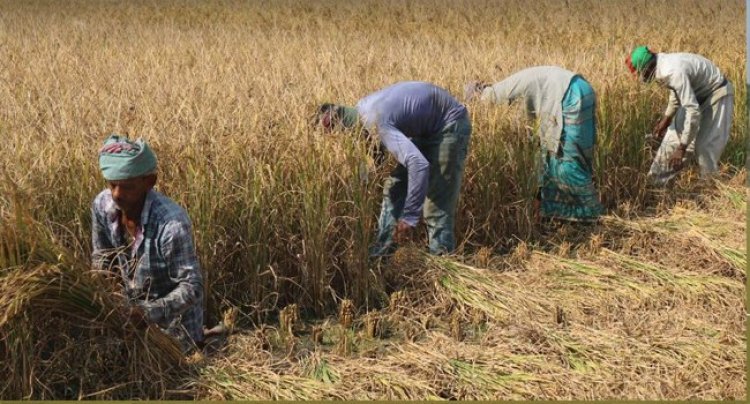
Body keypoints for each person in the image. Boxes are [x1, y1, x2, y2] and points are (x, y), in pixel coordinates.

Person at [317, 81, 472, 256]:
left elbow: (418, 164)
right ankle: (382, 253)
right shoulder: (361, 109)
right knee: (394, 187)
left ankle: (442, 263)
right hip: (426, 126)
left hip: (450, 125)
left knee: (435, 206)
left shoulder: (378, 123)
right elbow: (375, 148)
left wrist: (410, 216)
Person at [91, 134, 204, 352]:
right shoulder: (102, 205)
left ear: (149, 182)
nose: (117, 194)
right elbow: (102, 258)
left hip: (173, 333)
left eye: (127, 187)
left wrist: (146, 313)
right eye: (112, 185)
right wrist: (102, 296)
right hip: (128, 323)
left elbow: (192, 287)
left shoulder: (171, 225)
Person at [465, 66, 603, 222]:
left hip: (567, 96)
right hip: (582, 88)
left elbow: (527, 139)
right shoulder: (507, 85)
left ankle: (587, 212)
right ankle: (559, 212)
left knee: (565, 158)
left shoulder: (494, 97)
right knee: (578, 153)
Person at [626, 46, 734, 185]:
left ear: (647, 68)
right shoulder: (660, 65)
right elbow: (676, 91)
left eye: (641, 72)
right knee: (672, 138)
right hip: (696, 94)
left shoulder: (671, 71)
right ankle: (655, 183)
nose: (641, 77)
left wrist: (681, 148)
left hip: (716, 93)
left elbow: (692, 111)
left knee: (705, 147)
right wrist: (667, 118)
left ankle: (708, 187)